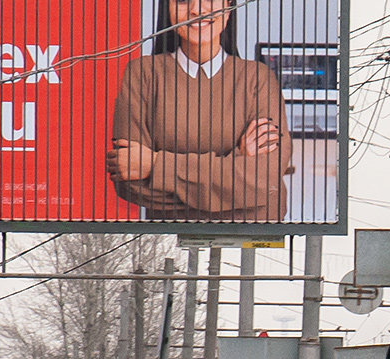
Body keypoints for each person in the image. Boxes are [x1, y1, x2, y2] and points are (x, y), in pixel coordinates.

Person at [106, 0, 292, 222]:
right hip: (170, 237)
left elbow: (266, 180)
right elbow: (130, 183)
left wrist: (155, 165)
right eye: (183, 0)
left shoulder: (258, 78)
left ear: (229, 5)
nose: (197, 9)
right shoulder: (142, 73)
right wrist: (238, 161)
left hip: (252, 238)